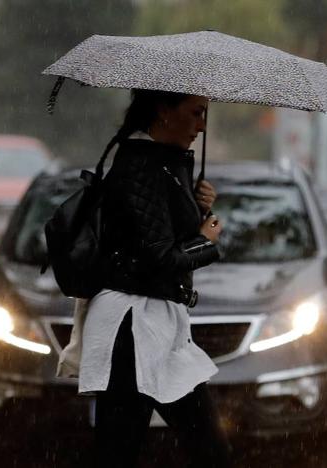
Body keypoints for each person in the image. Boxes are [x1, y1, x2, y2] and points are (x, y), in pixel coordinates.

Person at [77, 89, 230, 468]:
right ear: (164, 111)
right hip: (132, 328)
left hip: (156, 325)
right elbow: (160, 257)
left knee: (201, 449)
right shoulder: (141, 166)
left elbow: (156, 236)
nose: (202, 125)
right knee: (128, 451)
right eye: (195, 113)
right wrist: (205, 241)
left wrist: (197, 208)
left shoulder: (160, 165)